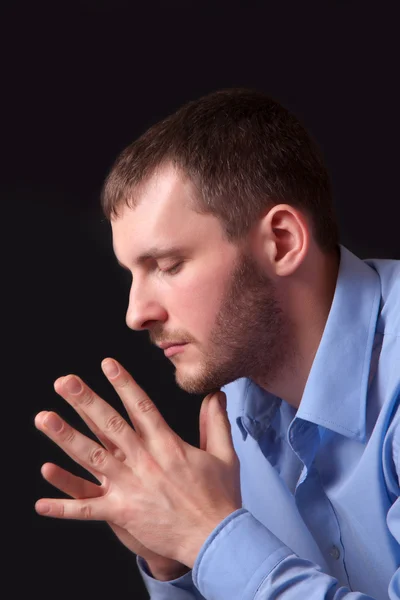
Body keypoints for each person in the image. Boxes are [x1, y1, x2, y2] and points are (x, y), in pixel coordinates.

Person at [35, 88, 400, 600]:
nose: (136, 314)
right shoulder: (234, 410)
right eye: (132, 273)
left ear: (282, 242)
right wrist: (174, 560)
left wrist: (208, 537)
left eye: (167, 266)